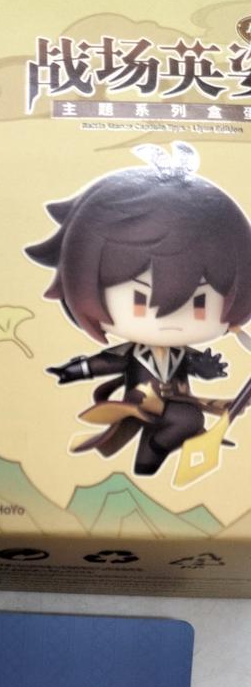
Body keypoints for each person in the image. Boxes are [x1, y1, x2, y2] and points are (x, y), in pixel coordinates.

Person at [26, 145, 251, 474]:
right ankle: (154, 454)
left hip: (177, 405)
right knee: (185, 419)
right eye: (140, 299)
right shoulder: (133, 353)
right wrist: (72, 371)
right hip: (140, 405)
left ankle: (151, 456)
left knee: (181, 422)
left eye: (199, 303)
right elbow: (105, 363)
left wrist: (207, 369)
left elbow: (198, 367)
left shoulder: (182, 355)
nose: (168, 317)